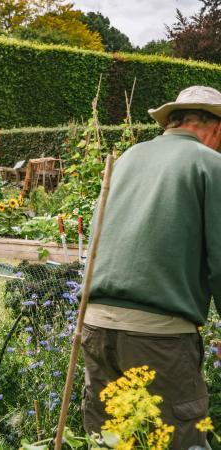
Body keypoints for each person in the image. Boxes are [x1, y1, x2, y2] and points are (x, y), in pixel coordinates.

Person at [81, 85, 221, 449]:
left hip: (94, 326)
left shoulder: (128, 157)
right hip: (159, 339)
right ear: (216, 128)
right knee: (181, 440)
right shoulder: (210, 164)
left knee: (109, 441)